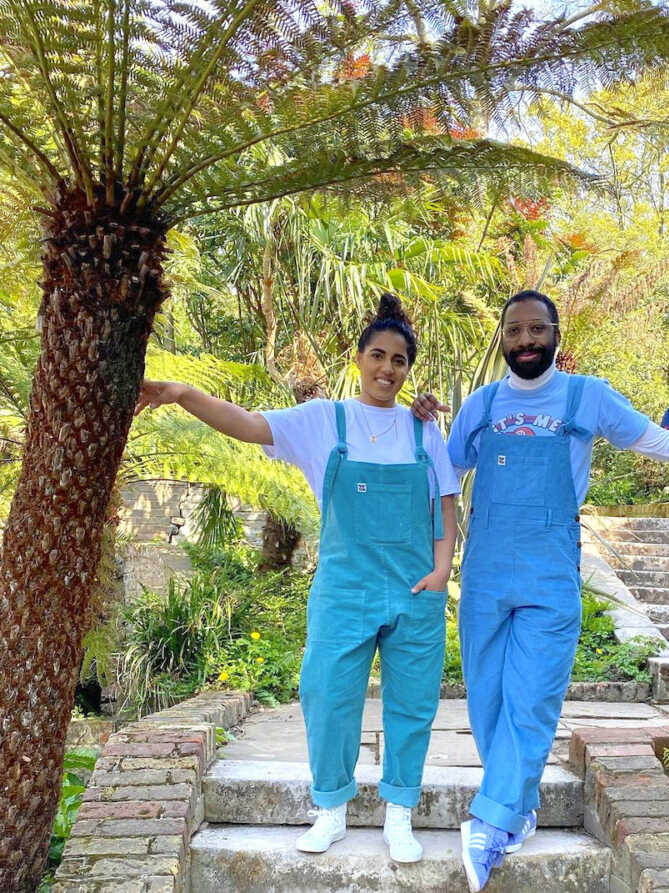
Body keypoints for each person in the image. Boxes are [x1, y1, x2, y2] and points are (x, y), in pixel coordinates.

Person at [412, 290, 669, 892]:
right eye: (515, 330)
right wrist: (425, 425)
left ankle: (490, 820)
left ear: (556, 336)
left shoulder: (588, 396)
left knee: (532, 696)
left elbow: (659, 444)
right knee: (488, 699)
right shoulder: (480, 405)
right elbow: (445, 473)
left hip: (551, 568)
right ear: (502, 338)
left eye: (537, 329)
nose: (526, 340)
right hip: (483, 570)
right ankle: (521, 806)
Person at [136, 294, 459, 864]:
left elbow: (446, 502)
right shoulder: (322, 420)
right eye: (377, 356)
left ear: (409, 368)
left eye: (399, 360)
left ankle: (400, 816)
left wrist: (441, 569)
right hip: (344, 587)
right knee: (327, 695)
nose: (387, 369)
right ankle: (331, 810)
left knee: (412, 704)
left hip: (413, 590)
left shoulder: (423, 429)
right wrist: (183, 394)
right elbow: (245, 423)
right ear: (357, 358)